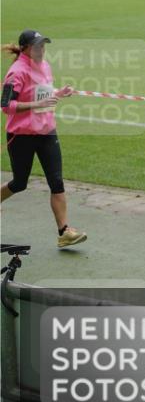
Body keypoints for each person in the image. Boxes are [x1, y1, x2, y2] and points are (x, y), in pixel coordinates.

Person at [1, 29, 87, 249]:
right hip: (21, 136)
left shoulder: (45, 66)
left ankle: (64, 232)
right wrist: (35, 106)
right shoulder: (16, 72)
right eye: (38, 46)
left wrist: (59, 93)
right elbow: (6, 106)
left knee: (56, 182)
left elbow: (43, 93)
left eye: (43, 45)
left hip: (47, 132)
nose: (42, 49)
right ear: (26, 48)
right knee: (19, 183)